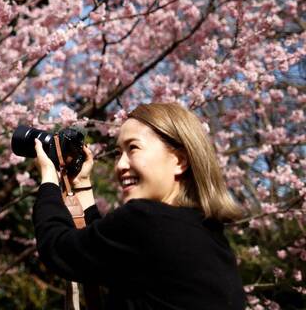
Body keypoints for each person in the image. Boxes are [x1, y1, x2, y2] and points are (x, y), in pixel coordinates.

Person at [32, 102, 246, 309]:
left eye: (133, 148)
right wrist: (83, 186)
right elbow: (109, 251)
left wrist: (49, 178)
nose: (121, 165)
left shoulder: (145, 220)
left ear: (180, 160)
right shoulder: (212, 237)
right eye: (118, 153)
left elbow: (57, 248)